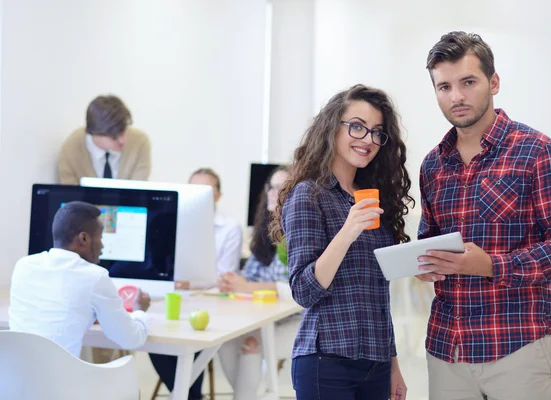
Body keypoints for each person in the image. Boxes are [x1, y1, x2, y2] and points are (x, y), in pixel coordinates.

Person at [417, 31, 551, 400]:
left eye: (468, 82)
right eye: (444, 86)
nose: (456, 96)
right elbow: (428, 240)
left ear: (493, 82)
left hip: (517, 346)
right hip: (447, 348)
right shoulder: (432, 165)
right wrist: (425, 263)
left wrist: (493, 265)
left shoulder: (537, 151)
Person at [272, 84, 412, 400]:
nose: (368, 140)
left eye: (377, 132)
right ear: (332, 126)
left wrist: (392, 366)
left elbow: (377, 293)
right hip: (326, 361)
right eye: (357, 127)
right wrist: (348, 231)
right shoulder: (308, 195)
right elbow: (304, 291)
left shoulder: (372, 199)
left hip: (375, 364)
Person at [9, 201, 151, 358]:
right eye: (100, 238)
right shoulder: (95, 277)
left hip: (12, 378)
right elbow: (130, 339)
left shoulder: (24, 265)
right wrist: (139, 311)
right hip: (58, 380)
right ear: (83, 238)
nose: (102, 246)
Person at [150, 168, 243, 400]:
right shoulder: (167, 221)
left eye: (206, 190)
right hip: (171, 300)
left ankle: (189, 395)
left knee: (194, 343)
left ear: (218, 196)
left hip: (209, 305)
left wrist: (188, 283)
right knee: (151, 337)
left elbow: (225, 277)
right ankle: (189, 395)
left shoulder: (229, 228)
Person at [215, 166, 301, 400]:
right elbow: (250, 279)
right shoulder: (264, 233)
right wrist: (234, 282)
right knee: (226, 340)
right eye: (271, 187)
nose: (274, 192)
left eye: (282, 187)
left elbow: (293, 290)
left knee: (252, 342)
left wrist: (246, 287)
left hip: (299, 323)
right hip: (265, 319)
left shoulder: (301, 231)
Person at [58, 95, 152, 185]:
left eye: (123, 131)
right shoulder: (70, 150)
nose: (123, 140)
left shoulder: (140, 142)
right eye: (114, 137)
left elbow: (139, 193)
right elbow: (70, 196)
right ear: (95, 134)